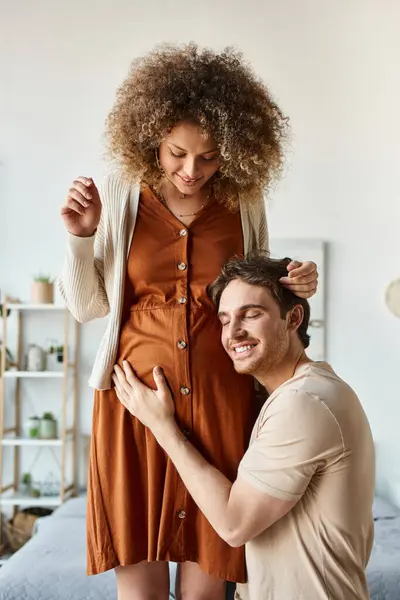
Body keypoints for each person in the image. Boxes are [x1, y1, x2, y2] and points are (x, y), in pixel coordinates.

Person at [58, 44, 319, 600]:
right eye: (178, 153)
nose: (191, 171)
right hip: (134, 411)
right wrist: (82, 239)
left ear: (235, 152)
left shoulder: (244, 202)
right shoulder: (124, 199)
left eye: (209, 157)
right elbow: (87, 308)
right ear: (151, 136)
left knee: (206, 590)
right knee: (142, 589)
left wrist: (294, 280)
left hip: (221, 406)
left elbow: (254, 290)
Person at [113, 253, 375, 600]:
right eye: (224, 319)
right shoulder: (295, 395)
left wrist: (162, 426)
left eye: (251, 315)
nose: (234, 332)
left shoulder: (304, 402)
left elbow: (234, 523)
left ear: (293, 318)